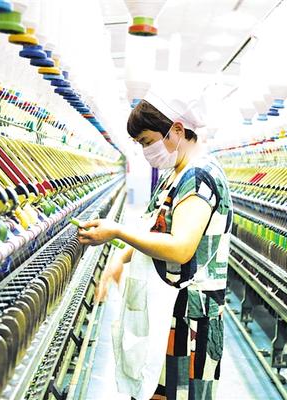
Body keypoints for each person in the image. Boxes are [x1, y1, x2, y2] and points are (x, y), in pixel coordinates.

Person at [77, 87, 233, 400]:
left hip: (189, 318)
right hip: (170, 309)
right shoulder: (176, 174)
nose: (146, 151)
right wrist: (120, 259)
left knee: (179, 393)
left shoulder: (198, 177)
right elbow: (156, 229)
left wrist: (118, 232)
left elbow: (180, 248)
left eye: (148, 141)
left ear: (177, 130)